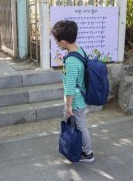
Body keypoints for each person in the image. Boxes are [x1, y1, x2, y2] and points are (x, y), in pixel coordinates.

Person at [51, 20, 94, 162]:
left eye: (57, 41)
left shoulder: (70, 61)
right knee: (78, 125)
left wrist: (68, 106)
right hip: (80, 97)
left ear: (63, 42)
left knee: (80, 127)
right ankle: (76, 147)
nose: (56, 44)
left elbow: (70, 86)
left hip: (75, 101)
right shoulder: (79, 50)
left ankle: (88, 153)